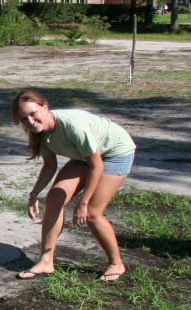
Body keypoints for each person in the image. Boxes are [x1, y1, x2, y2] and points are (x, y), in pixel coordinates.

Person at [12, 90, 136, 282]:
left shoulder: (72, 126)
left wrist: (84, 202)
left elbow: (97, 166)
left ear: (45, 107)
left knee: (93, 213)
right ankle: (46, 261)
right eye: (23, 118)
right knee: (55, 197)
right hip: (85, 156)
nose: (29, 121)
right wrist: (34, 194)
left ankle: (116, 263)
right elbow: (49, 165)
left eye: (33, 113)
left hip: (114, 153)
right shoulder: (40, 132)